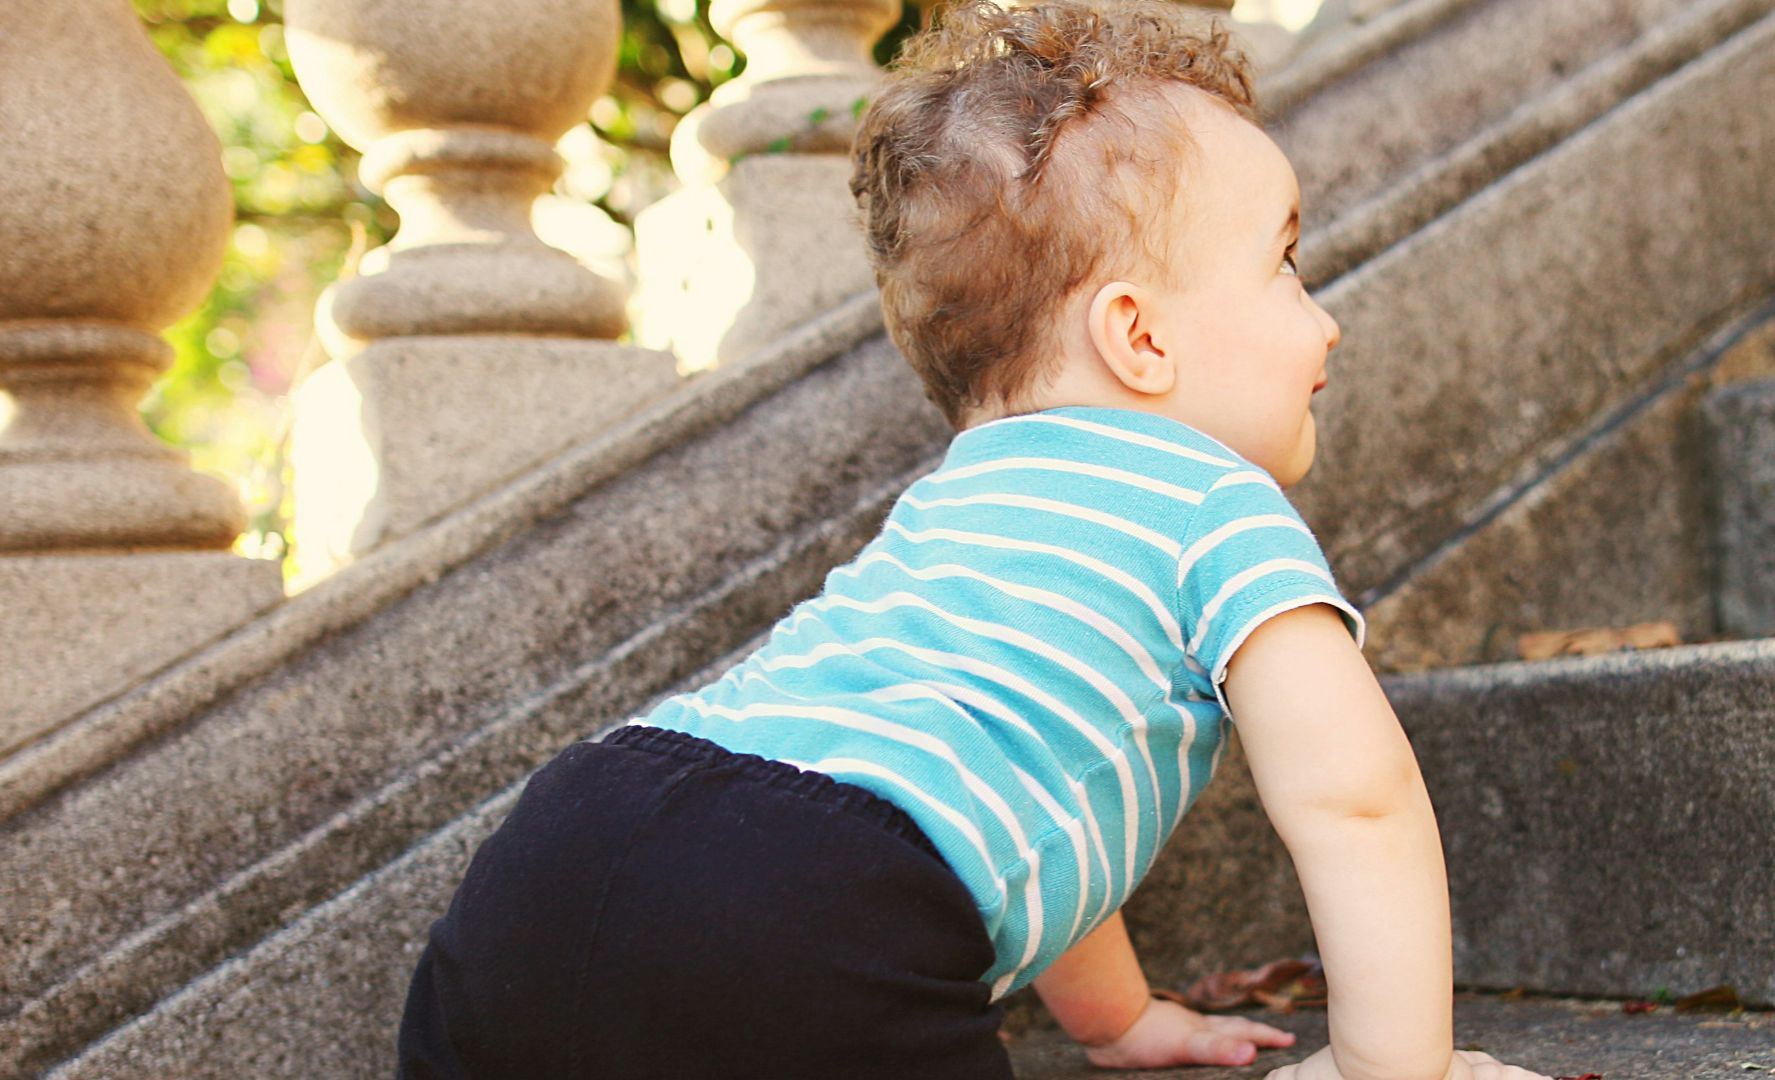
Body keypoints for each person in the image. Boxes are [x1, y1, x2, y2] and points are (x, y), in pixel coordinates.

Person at [395, 2, 1553, 1078]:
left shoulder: (958, 507)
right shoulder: (1215, 504)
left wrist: (1119, 1019)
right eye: (1286, 265)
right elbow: (1357, 802)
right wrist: (1401, 1068)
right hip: (807, 911)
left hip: (559, 848)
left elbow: (1007, 791)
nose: (1326, 316)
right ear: (1139, 339)